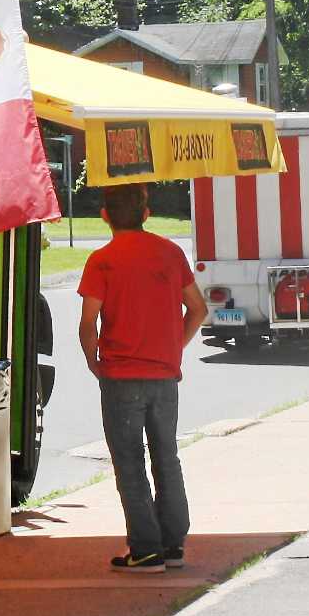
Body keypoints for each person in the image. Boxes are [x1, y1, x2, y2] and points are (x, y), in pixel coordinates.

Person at [78, 183, 204, 574]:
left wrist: (92, 359)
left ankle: (146, 549)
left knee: (129, 462)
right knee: (167, 456)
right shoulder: (170, 253)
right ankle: (174, 544)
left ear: (104, 216)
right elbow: (197, 309)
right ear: (146, 213)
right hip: (164, 375)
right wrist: (174, 347)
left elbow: (87, 323)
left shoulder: (102, 260)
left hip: (121, 376)